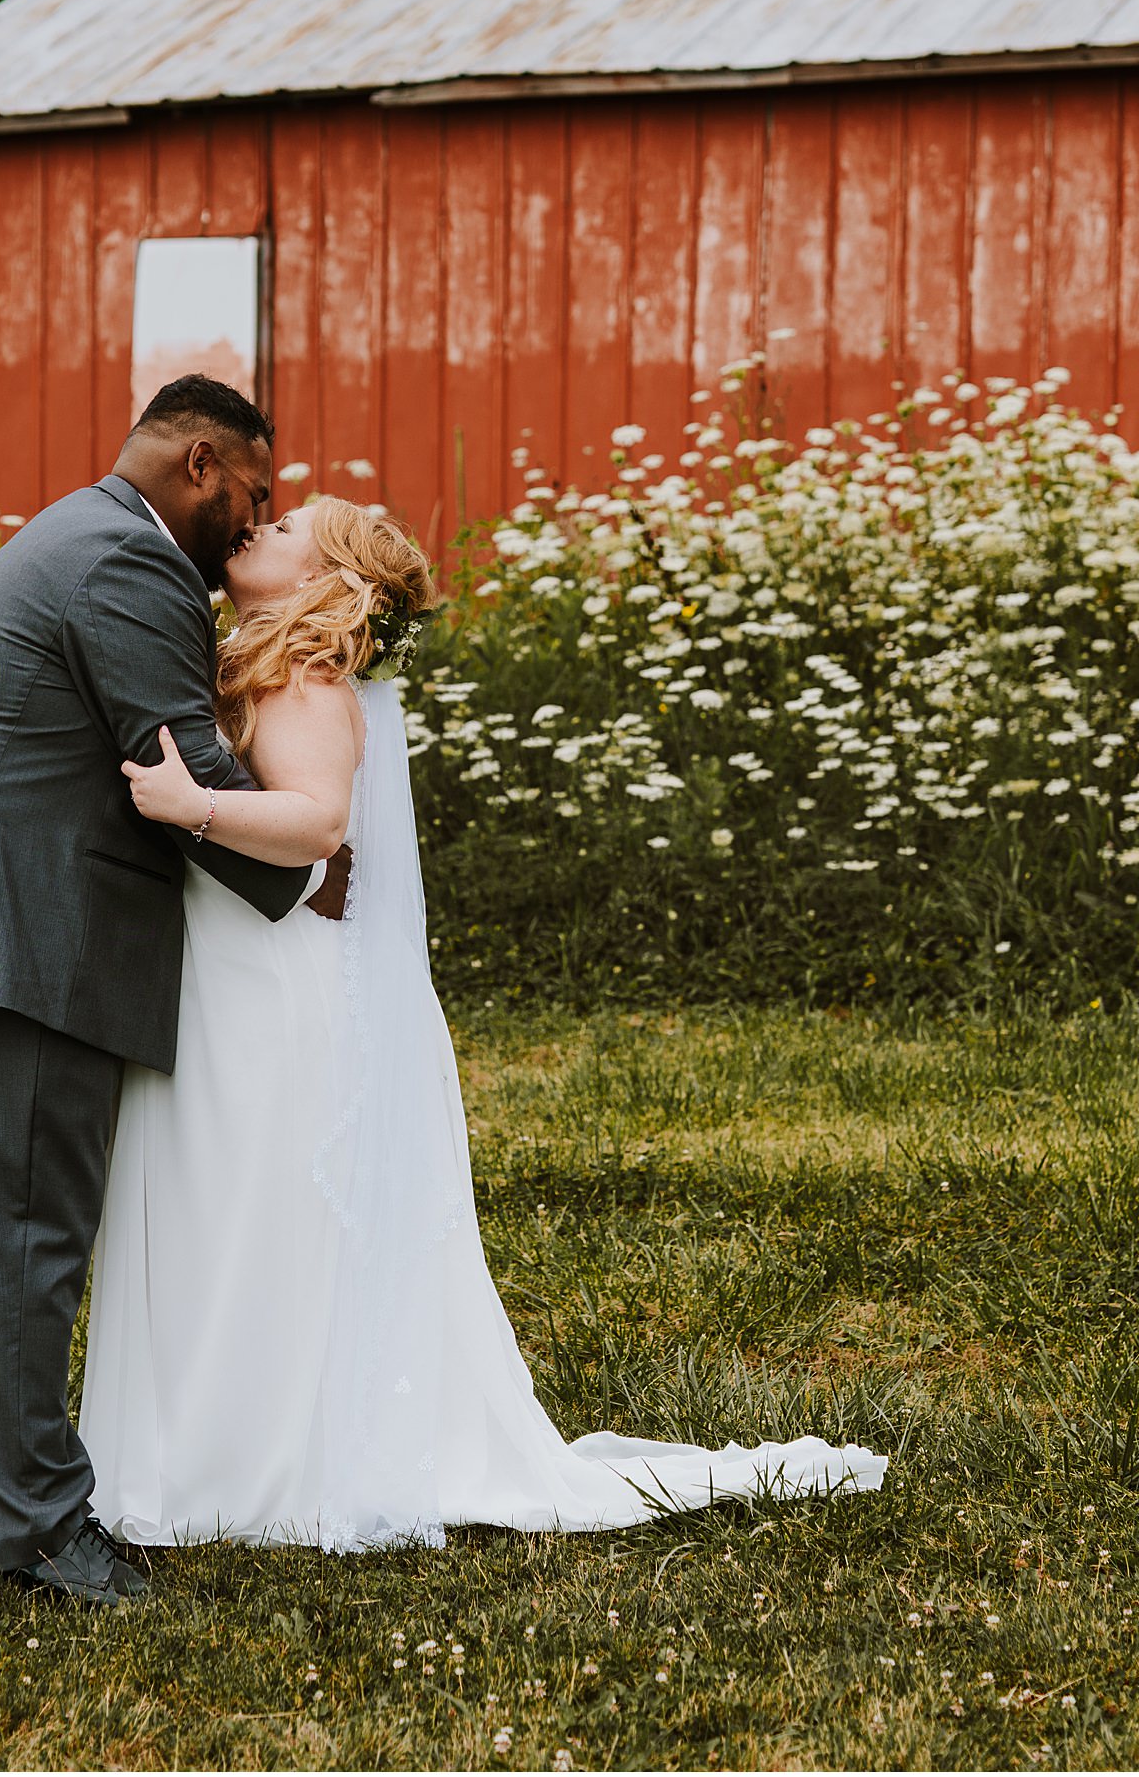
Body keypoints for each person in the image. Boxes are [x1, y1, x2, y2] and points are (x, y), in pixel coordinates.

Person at [83, 494, 888, 1550]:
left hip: (270, 986)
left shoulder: (310, 679)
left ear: (325, 578)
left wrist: (195, 805)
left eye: (287, 531)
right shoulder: (266, 661)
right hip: (231, 971)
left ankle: (253, 1464)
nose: (258, 529)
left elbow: (318, 823)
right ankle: (202, 1449)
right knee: (216, 1207)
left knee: (248, 1213)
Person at [0, 376, 348, 1607]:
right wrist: (317, 885)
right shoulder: (130, 566)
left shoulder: (81, 531)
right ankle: (39, 1532)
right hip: (15, 943)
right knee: (20, 1241)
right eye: (254, 491)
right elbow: (177, 757)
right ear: (197, 462)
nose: (254, 517)